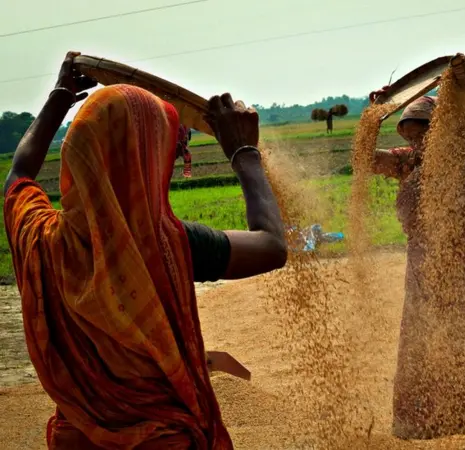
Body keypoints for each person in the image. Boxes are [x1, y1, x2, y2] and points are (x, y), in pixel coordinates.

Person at [3, 52, 287, 449]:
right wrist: (244, 153)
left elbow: (18, 175)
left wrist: (58, 98)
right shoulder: (169, 245)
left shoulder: (41, 239)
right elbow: (273, 246)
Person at [370, 94, 465, 450]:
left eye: (425, 135)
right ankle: (439, 423)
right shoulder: (411, 163)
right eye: (411, 136)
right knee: (427, 347)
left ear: (444, 131)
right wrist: (374, 118)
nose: (418, 143)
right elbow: (366, 160)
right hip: (426, 276)